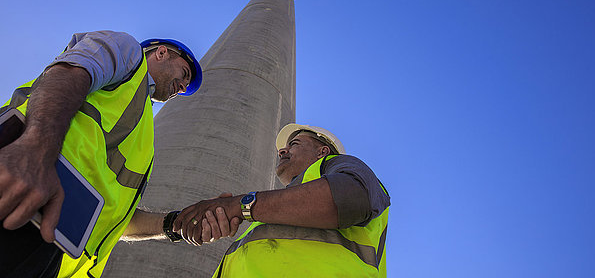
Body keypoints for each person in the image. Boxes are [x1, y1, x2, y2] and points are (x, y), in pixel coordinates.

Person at [0, 30, 204, 277]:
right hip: (20, 185)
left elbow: (114, 219)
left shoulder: (143, 137)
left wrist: (173, 225)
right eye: (184, 74)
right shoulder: (129, 53)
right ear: (161, 53)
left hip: (51, 247)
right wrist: (35, 149)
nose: (182, 87)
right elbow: (69, 73)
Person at [173, 123, 391, 277]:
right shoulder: (276, 213)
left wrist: (240, 206)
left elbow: (349, 198)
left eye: (294, 143)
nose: (282, 151)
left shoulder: (341, 166)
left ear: (322, 151)